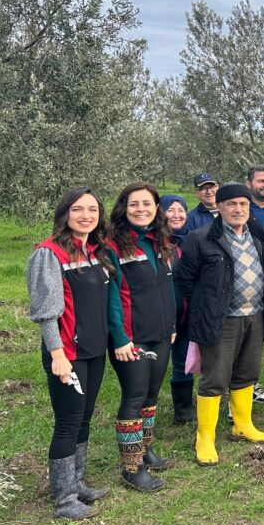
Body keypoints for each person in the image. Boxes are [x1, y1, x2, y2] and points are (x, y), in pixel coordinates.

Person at [175, 183, 264, 465]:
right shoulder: (201, 238)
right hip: (221, 320)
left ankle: (242, 425)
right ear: (219, 208)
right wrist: (206, 304)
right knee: (215, 378)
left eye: (243, 204)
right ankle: (205, 438)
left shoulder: (258, 236)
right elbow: (184, 279)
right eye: (231, 204)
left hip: (254, 315)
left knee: (247, 373)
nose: (238, 209)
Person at [26, 188, 114, 520]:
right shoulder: (49, 254)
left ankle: (77, 484)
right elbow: (46, 312)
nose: (86, 215)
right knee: (68, 422)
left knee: (84, 418)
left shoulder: (93, 251)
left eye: (92, 210)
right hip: (67, 352)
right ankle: (64, 499)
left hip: (94, 350)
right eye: (78, 209)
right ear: (65, 213)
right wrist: (57, 354)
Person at [105, 183, 177, 493]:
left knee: (150, 397)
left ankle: (145, 450)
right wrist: (120, 338)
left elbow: (166, 289)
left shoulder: (160, 242)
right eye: (134, 204)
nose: (141, 209)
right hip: (131, 339)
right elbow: (110, 298)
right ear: (124, 208)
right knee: (134, 398)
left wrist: (171, 325)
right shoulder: (112, 247)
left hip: (160, 333)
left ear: (156, 208)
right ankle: (131, 468)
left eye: (147, 204)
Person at [161, 194, 196, 424]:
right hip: (163, 317)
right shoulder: (157, 244)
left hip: (188, 315)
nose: (176, 215)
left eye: (181, 210)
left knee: (184, 362)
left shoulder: (192, 241)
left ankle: (183, 410)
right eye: (170, 210)